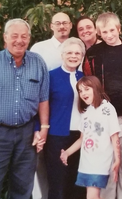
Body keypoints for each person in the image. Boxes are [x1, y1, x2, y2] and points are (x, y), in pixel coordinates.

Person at [0, 18, 49, 199]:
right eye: (14, 36)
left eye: (24, 36)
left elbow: (43, 99)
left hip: (27, 134)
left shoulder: (38, 63)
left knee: (23, 189)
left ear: (29, 39)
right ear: (5, 38)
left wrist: (44, 128)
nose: (19, 40)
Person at [85, 12, 122, 199]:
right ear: (99, 33)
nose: (109, 35)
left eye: (112, 30)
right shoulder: (94, 54)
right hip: (104, 119)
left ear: (119, 29)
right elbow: (90, 86)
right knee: (108, 166)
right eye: (104, 31)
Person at [30, 12, 75, 199]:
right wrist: (38, 126)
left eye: (65, 23)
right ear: (51, 26)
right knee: (46, 173)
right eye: (58, 23)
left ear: (71, 25)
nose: (62, 26)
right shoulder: (39, 49)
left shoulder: (77, 47)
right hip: (48, 122)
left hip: (75, 124)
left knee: (70, 176)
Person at [60, 76, 120, 199]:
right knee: (93, 195)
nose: (83, 93)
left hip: (100, 162)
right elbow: (82, 139)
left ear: (96, 88)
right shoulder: (86, 112)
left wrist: (118, 160)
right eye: (80, 91)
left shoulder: (107, 108)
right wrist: (67, 153)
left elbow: (114, 137)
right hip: (86, 163)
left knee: (91, 195)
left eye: (86, 89)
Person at [44, 37, 86, 199]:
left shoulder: (84, 77)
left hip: (81, 136)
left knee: (77, 183)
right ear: (62, 55)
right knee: (58, 183)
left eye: (77, 53)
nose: (73, 56)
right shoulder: (51, 76)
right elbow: (42, 105)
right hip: (57, 136)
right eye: (69, 52)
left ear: (82, 56)